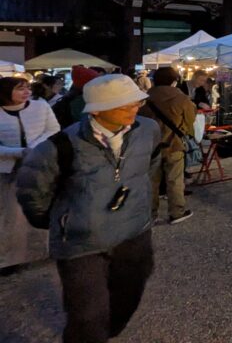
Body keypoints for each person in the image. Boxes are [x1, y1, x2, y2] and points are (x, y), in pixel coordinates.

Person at [16, 74, 160, 342]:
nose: (134, 108)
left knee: (130, 293)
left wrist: (140, 203)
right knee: (87, 314)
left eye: (137, 102)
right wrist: (61, 220)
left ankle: (108, 330)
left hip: (133, 231)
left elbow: (149, 166)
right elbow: (31, 189)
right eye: (124, 104)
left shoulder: (148, 130)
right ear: (96, 110)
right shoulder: (60, 146)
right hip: (81, 241)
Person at [1, 77, 60, 269]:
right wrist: (18, 152)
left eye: (27, 87)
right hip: (7, 169)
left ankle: (44, 251)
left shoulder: (40, 106)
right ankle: (10, 258)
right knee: (10, 215)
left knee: (40, 207)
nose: (26, 92)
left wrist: (35, 148)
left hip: (38, 165)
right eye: (20, 88)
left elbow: (53, 130)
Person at [138, 67, 196, 224]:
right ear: (174, 81)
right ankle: (177, 212)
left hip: (150, 146)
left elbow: (139, 120)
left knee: (151, 181)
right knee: (175, 180)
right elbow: (190, 121)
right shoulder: (182, 99)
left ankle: (150, 214)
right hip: (173, 144)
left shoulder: (144, 98)